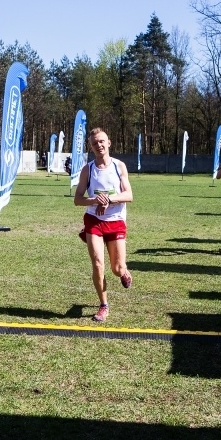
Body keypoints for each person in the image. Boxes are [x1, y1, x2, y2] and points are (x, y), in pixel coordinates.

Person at [74, 128, 133, 322]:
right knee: (98, 264)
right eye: (94, 143)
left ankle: (123, 272)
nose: (98, 145)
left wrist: (109, 199)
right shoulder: (88, 169)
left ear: (109, 143)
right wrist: (94, 200)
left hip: (115, 221)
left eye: (101, 141)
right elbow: (77, 199)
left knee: (116, 268)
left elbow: (129, 196)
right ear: (90, 147)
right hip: (94, 222)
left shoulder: (119, 166)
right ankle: (104, 305)